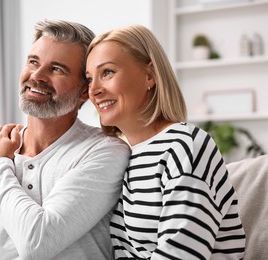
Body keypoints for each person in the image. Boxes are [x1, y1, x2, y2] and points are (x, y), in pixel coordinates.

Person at [0, 20, 130, 260]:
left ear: (85, 91)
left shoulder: (105, 151)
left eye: (57, 69)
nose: (37, 76)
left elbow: (38, 242)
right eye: (33, 62)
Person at [85, 24, 246, 259]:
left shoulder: (186, 146)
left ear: (149, 75)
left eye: (107, 72)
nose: (94, 90)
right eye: (89, 79)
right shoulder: (125, 155)